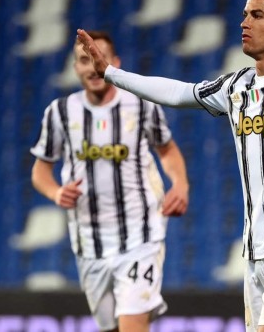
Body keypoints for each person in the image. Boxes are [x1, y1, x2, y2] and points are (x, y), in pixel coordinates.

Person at [77, 0, 264, 332]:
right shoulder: (237, 87)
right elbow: (179, 93)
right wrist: (113, 74)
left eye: (256, 15)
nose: (244, 23)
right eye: (243, 15)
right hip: (257, 249)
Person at [30, 31, 189, 332]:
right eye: (83, 60)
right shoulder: (60, 113)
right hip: (90, 243)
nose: (92, 67)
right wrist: (56, 193)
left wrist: (180, 184)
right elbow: (40, 171)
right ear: (75, 68)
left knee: (132, 325)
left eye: (98, 58)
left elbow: (167, 151)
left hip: (140, 236)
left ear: (114, 63)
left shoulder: (141, 105)